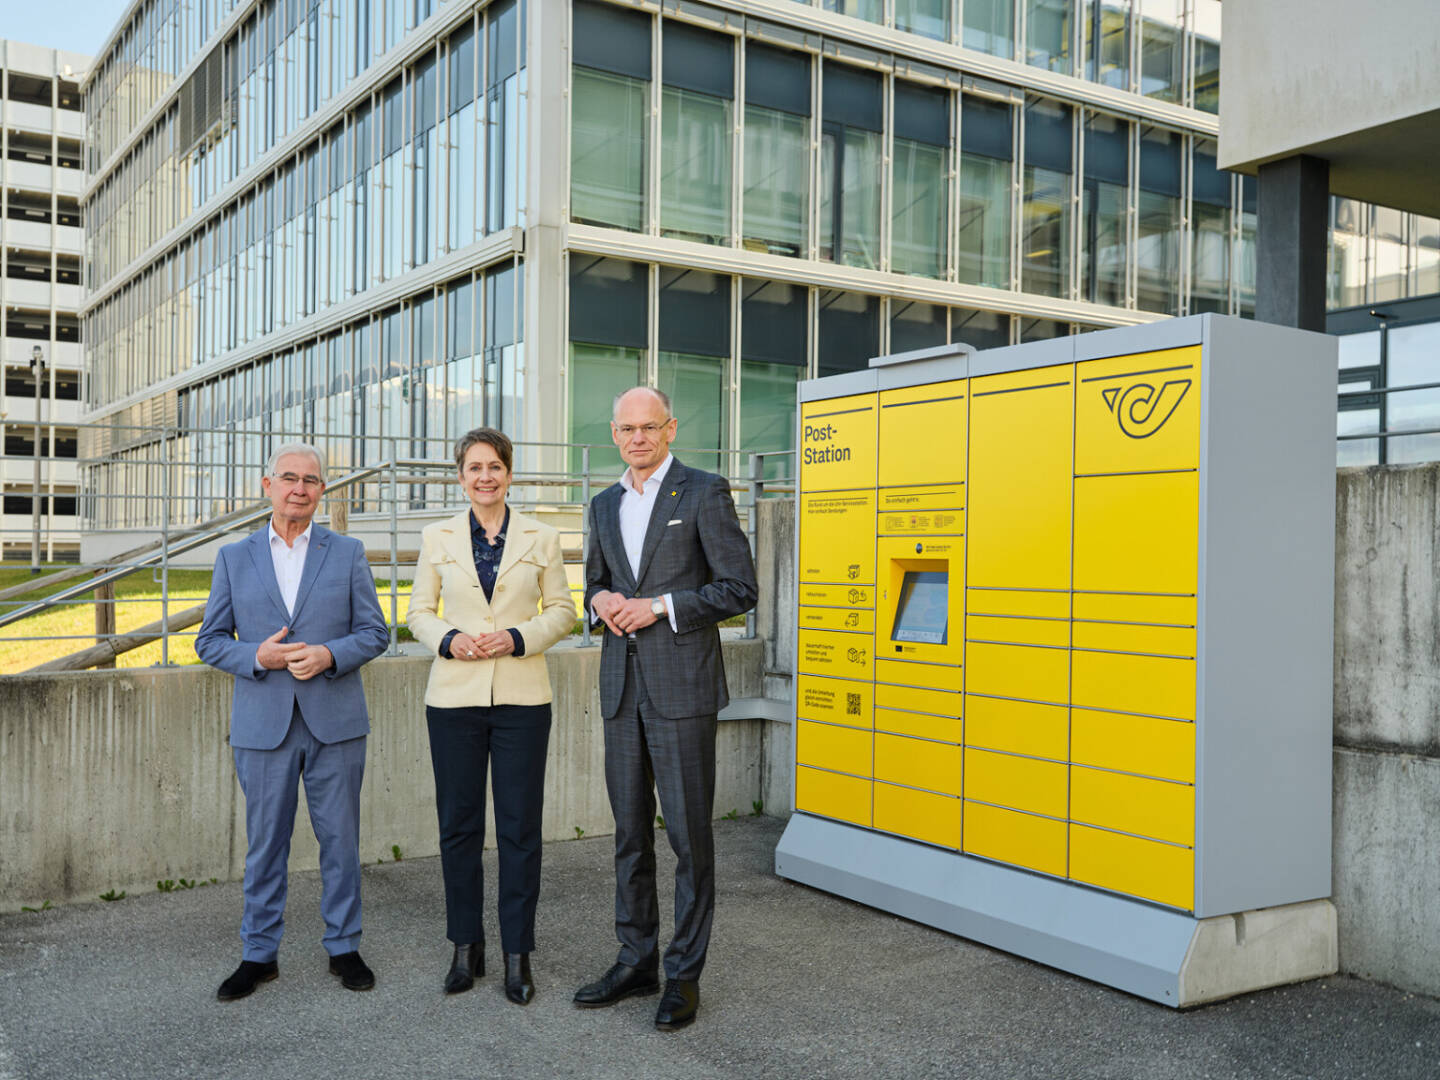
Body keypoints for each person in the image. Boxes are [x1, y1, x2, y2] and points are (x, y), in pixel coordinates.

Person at [573, 387, 758, 1031]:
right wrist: (599, 601)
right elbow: (595, 581)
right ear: (615, 433)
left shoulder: (704, 491)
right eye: (626, 429)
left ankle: (683, 974)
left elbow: (740, 588)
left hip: (682, 690)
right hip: (622, 688)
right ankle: (636, 957)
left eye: (650, 427)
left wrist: (658, 606)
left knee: (688, 838)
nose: (638, 438)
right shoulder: (602, 504)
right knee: (629, 835)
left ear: (671, 428)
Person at [196, 441, 390, 1001]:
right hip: (264, 725)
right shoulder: (235, 557)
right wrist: (259, 656)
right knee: (264, 845)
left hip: (335, 721)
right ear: (268, 485)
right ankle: (259, 954)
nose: (299, 488)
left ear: (322, 491)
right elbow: (209, 642)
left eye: (310, 480)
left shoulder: (347, 551)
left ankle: (344, 946)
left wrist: (329, 655)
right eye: (289, 478)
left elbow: (375, 632)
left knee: (341, 841)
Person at [407, 428, 577, 1005]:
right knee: (458, 828)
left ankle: (516, 955)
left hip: (523, 701)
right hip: (453, 700)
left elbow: (562, 611)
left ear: (509, 473)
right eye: (474, 467)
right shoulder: (436, 537)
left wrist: (518, 636)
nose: (485, 476)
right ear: (461, 476)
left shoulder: (543, 536)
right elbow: (417, 614)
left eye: (495, 467)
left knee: (519, 830)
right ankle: (465, 948)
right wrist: (450, 639)